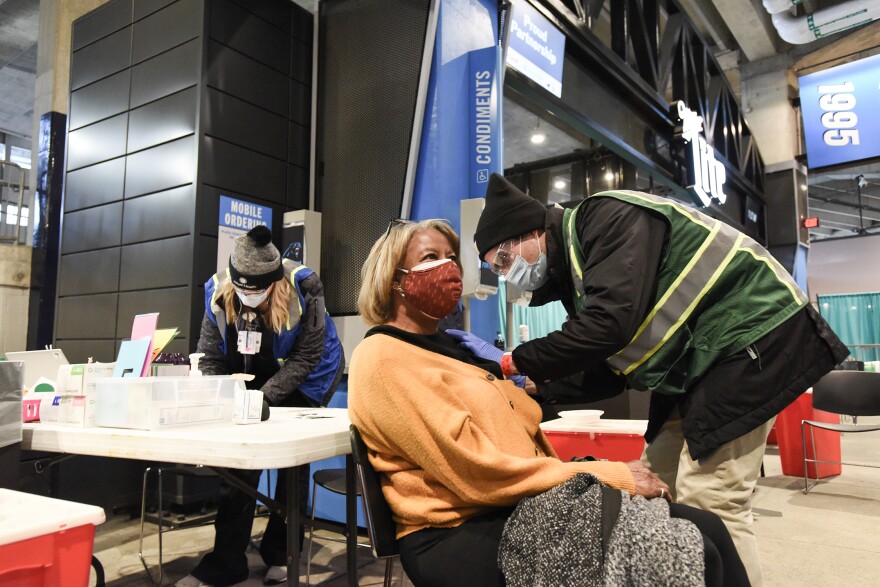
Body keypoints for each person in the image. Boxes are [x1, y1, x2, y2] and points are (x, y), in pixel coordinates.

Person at [448, 173, 849, 586]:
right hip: (696, 366)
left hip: (749, 339)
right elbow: (610, 368)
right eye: (495, 268)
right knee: (653, 484)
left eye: (502, 260)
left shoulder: (606, 217)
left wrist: (514, 362)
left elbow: (610, 325)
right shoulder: (578, 273)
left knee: (713, 499)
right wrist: (534, 385)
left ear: (531, 232)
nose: (504, 273)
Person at [348, 218, 749, 586]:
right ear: (393, 278)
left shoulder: (452, 350)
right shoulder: (384, 357)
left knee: (708, 528)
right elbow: (475, 472)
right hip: (456, 527)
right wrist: (611, 476)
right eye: (430, 258)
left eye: (451, 257)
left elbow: (520, 433)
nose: (448, 267)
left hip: (519, 502)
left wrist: (580, 473)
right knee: (684, 554)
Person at [176, 225, 344, 587]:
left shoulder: (305, 286)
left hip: (311, 373)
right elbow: (210, 355)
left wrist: (264, 397)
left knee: (291, 462)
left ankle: (282, 552)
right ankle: (226, 561)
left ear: (273, 283)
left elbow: (308, 354)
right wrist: (219, 396)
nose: (249, 294)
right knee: (238, 461)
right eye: (242, 288)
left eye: (257, 289)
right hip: (252, 370)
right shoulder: (216, 291)